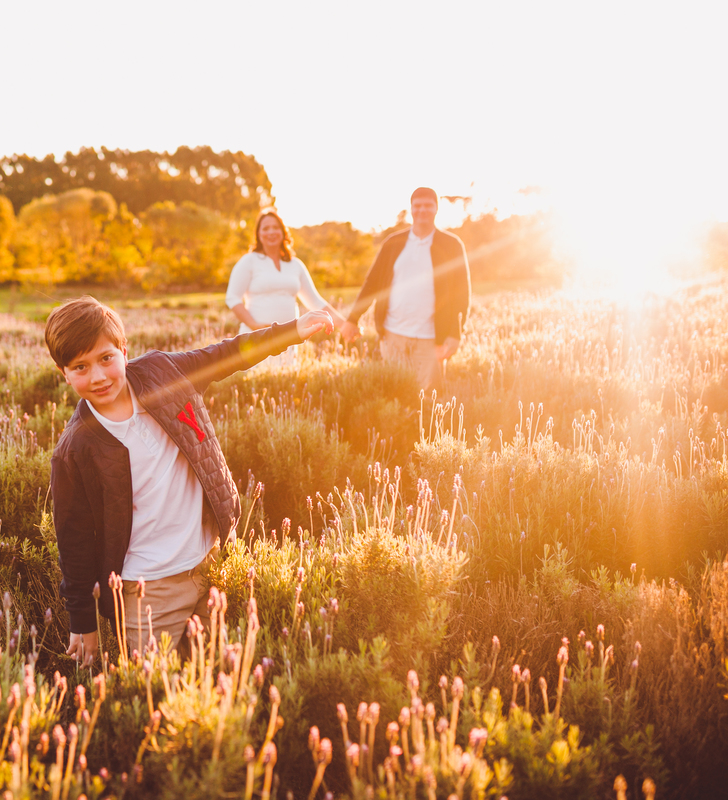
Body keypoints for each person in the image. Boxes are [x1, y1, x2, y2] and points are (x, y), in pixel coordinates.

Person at [46, 296, 334, 665]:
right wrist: (82, 622)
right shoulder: (75, 448)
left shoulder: (160, 372)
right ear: (64, 373)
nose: (98, 376)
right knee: (160, 698)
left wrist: (291, 331)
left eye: (106, 359)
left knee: (219, 679)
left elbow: (224, 355)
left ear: (123, 350)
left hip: (209, 563)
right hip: (147, 592)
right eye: (80, 367)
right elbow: (75, 543)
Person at [340, 187, 470, 392]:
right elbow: (372, 283)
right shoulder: (393, 243)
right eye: (417, 206)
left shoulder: (452, 245)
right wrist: (352, 319)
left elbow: (462, 294)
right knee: (395, 396)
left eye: (428, 205)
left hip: (431, 340)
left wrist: (455, 333)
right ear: (411, 209)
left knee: (429, 400)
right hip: (393, 337)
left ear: (436, 208)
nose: (422, 210)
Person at [225, 209, 345, 365]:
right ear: (258, 234)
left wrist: (344, 324)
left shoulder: (295, 265)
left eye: (275, 227)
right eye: (266, 228)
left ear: (283, 231)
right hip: (256, 339)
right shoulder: (249, 261)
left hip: (288, 340)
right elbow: (232, 298)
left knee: (285, 384)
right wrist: (254, 325)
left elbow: (315, 301)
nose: (271, 232)